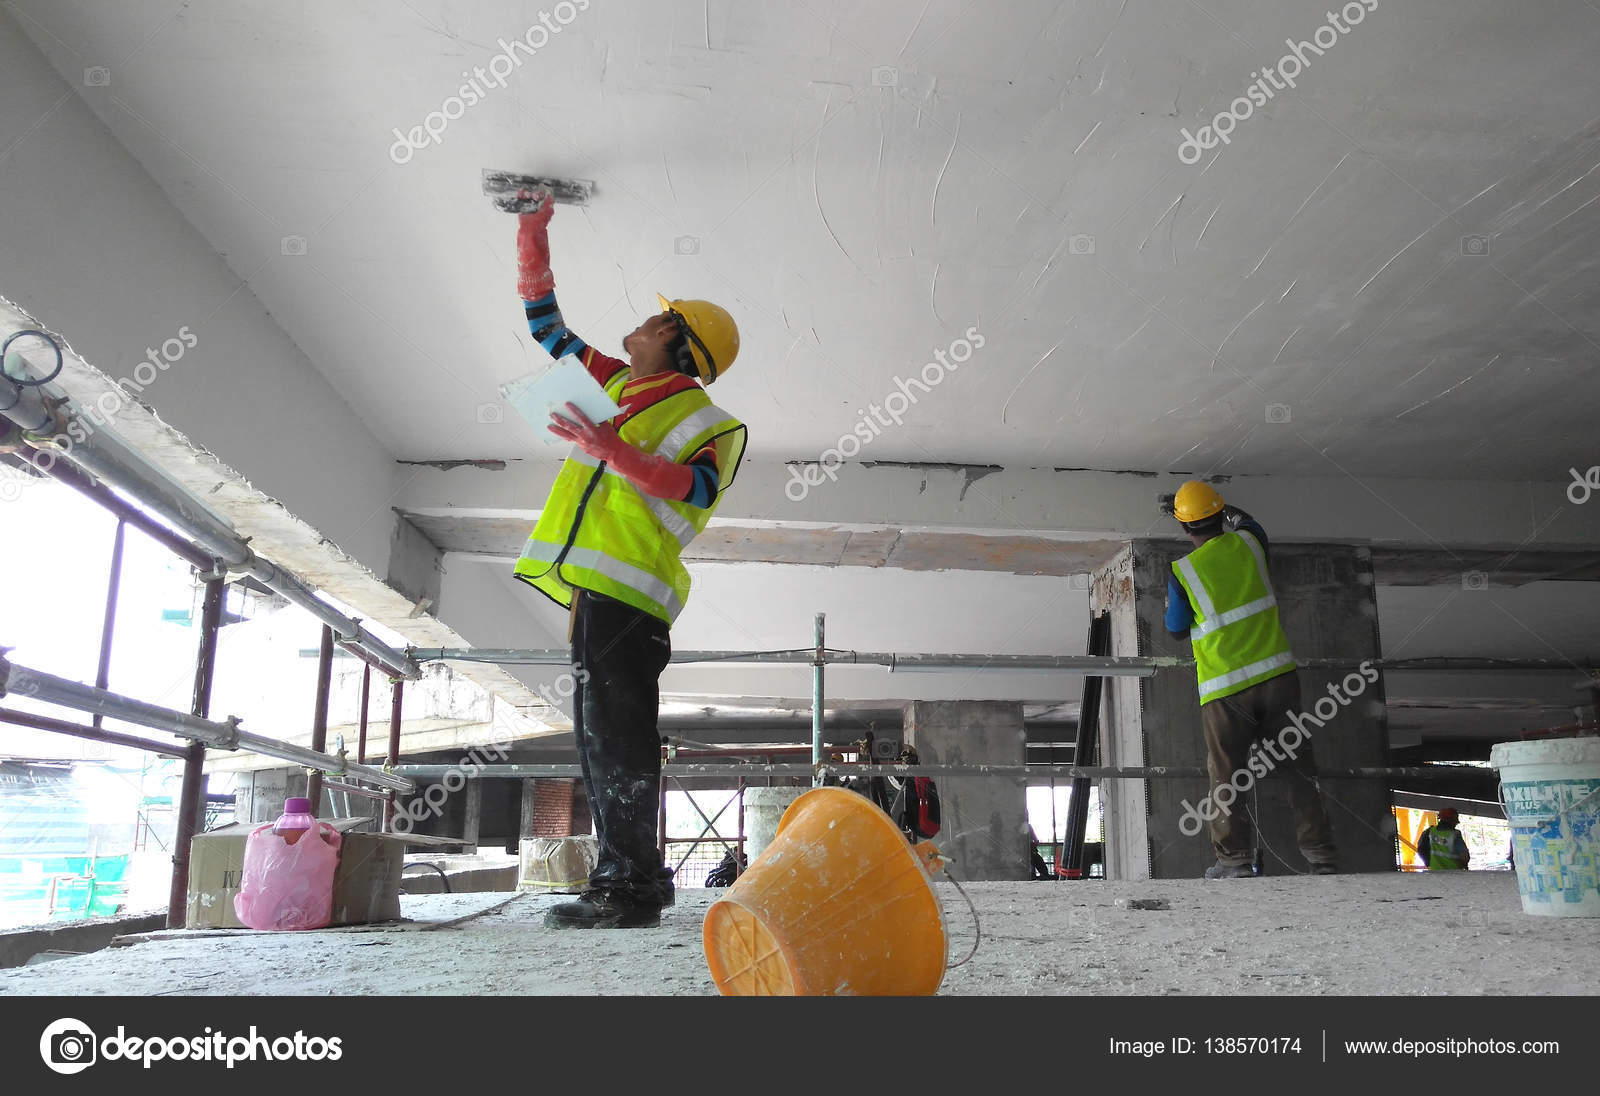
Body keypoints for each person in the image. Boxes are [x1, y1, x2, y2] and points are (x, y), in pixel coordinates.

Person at [508, 191, 748, 928]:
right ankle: (635, 876)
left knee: (617, 736)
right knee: (600, 734)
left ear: (678, 343)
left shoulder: (710, 421)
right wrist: (532, 230)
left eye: (658, 317)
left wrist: (612, 450)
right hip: (596, 594)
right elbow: (544, 322)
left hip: (630, 600)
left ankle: (629, 889)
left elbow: (694, 486)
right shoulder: (615, 383)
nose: (641, 319)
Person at [1162, 481, 1340, 879]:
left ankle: (1235, 861)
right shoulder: (1252, 543)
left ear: (1183, 526)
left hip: (1225, 690)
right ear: (1219, 513)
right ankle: (1321, 855)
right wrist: (1220, 508)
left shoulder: (1183, 572)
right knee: (1297, 768)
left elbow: (1175, 629)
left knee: (1226, 776)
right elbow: (1247, 520)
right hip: (1277, 679)